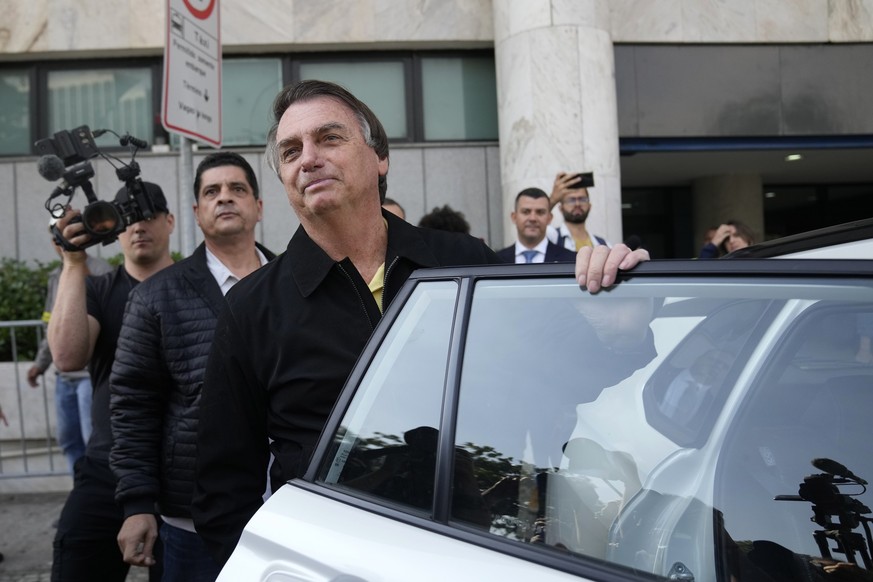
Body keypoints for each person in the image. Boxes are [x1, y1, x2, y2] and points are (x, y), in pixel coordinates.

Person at [191, 79, 650, 566]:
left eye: (329, 138)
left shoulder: (465, 264)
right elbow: (223, 487)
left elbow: (567, 375)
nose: (308, 158)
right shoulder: (252, 308)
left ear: (379, 156)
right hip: (331, 563)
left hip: (478, 551)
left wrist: (618, 324)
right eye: (290, 151)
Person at [109, 152, 274, 581]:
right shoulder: (155, 297)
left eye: (237, 189)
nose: (225, 198)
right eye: (211, 192)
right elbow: (133, 406)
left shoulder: (298, 283)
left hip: (289, 509)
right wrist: (137, 503)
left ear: (258, 206)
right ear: (197, 213)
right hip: (192, 521)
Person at [48, 183, 175, 582]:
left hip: (182, 474)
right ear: (114, 231)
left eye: (149, 214)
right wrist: (72, 263)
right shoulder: (99, 289)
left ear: (170, 221)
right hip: (108, 468)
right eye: (127, 218)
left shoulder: (199, 288)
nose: (139, 226)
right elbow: (67, 356)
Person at [28, 224, 112, 474]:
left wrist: (76, 263)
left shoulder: (101, 271)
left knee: (93, 442)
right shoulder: (56, 276)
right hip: (64, 378)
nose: (59, 244)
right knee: (69, 440)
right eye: (56, 239)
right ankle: (80, 490)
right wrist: (40, 363)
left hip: (89, 376)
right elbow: (51, 325)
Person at [497, 187, 577, 263]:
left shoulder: (571, 260)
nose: (533, 219)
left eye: (540, 212)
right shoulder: (496, 260)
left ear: (549, 218)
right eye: (526, 212)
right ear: (514, 217)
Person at [546, 172, 611, 251]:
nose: (577, 204)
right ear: (561, 208)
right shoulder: (551, 236)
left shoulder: (603, 243)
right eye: (571, 200)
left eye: (582, 199)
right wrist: (552, 200)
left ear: (589, 206)